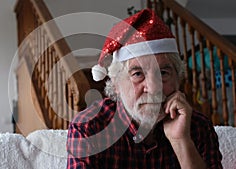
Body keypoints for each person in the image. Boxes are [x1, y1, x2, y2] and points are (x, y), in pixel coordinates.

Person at [66, 8, 222, 169]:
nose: (154, 88)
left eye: (163, 72)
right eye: (138, 74)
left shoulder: (198, 127)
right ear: (116, 84)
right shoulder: (89, 126)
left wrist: (181, 141)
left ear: (178, 78)